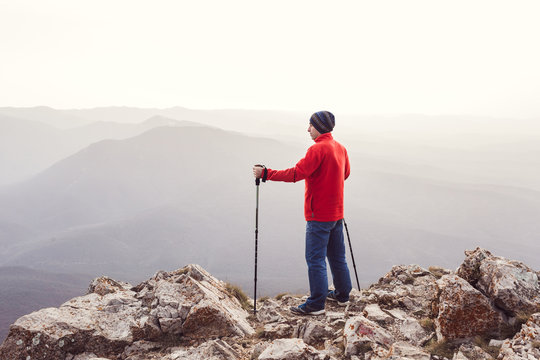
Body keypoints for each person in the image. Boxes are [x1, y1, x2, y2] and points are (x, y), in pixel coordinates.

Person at [252, 110, 352, 315]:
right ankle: (343, 295)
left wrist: (266, 174)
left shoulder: (317, 150)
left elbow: (296, 174)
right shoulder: (340, 148)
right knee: (337, 256)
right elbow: (345, 174)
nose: (308, 129)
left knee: (315, 259)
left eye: (311, 125)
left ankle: (316, 304)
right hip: (337, 213)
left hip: (318, 215)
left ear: (320, 127)